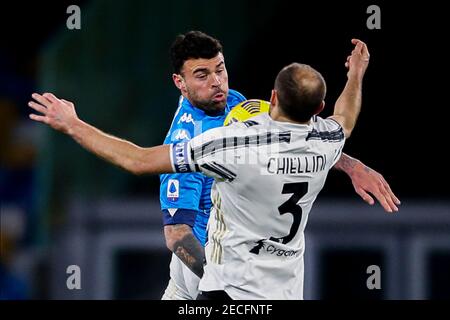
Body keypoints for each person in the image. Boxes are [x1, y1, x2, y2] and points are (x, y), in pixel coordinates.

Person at [28, 37, 397, 299]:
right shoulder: (322, 137)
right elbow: (176, 236)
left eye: (220, 69)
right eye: (202, 75)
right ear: (180, 83)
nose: (218, 82)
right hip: (213, 275)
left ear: (273, 99)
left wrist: (73, 125)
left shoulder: (231, 127)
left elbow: (138, 160)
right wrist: (354, 83)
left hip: (236, 278)